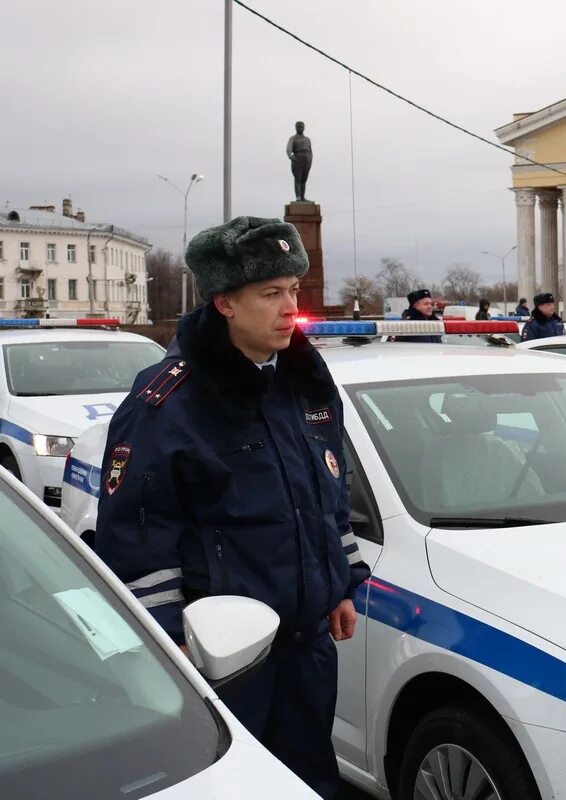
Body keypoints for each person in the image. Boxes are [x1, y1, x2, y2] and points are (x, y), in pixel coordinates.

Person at [94, 216, 370, 799]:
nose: (289, 307)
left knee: (307, 780)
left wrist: (342, 585)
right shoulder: (168, 403)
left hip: (308, 648)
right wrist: (178, 650)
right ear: (224, 302)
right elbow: (138, 536)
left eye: (293, 289)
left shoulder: (304, 380)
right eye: (270, 294)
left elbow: (327, 495)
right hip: (225, 660)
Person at [285, 121, 313, 202]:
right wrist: (290, 155)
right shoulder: (293, 138)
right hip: (298, 159)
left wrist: (310, 160)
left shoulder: (307, 139)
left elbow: (311, 151)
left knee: (304, 179)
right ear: (295, 128)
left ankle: (303, 197)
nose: (300, 128)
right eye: (298, 126)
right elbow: (288, 149)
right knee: (298, 178)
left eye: (301, 126)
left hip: (307, 160)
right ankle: (298, 197)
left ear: (304, 128)